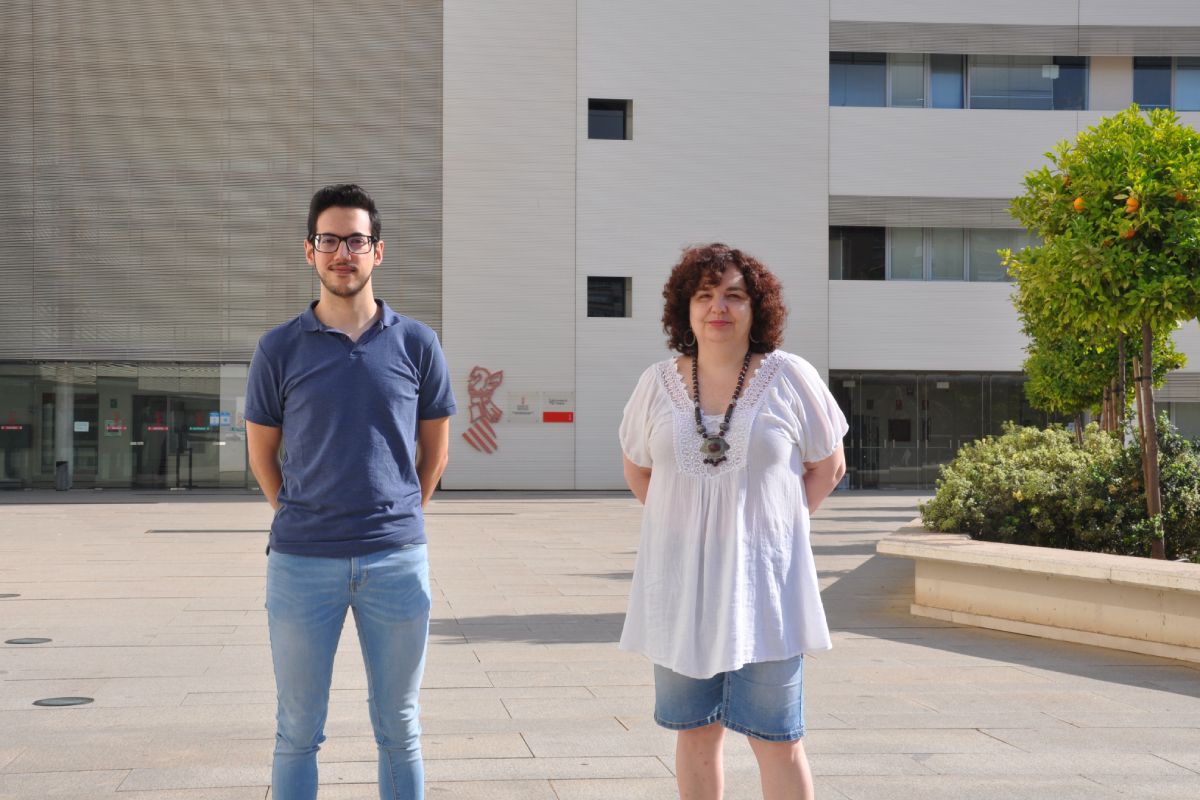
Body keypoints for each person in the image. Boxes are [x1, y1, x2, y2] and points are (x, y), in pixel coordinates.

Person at [245, 184, 455, 800]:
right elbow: (262, 453)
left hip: (396, 561)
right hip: (301, 562)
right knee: (296, 730)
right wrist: (294, 510)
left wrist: (401, 512)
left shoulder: (417, 342)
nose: (343, 253)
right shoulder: (278, 348)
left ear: (378, 252)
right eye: (329, 240)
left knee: (399, 729)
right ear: (309, 252)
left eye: (356, 240)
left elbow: (435, 450)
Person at [618, 243, 847, 800]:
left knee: (778, 739)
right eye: (704, 295)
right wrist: (693, 531)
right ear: (685, 308)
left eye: (733, 295)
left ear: (756, 307)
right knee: (695, 736)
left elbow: (829, 463)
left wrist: (773, 529)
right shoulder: (656, 383)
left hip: (766, 592)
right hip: (681, 592)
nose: (718, 307)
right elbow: (639, 471)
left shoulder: (790, 376)